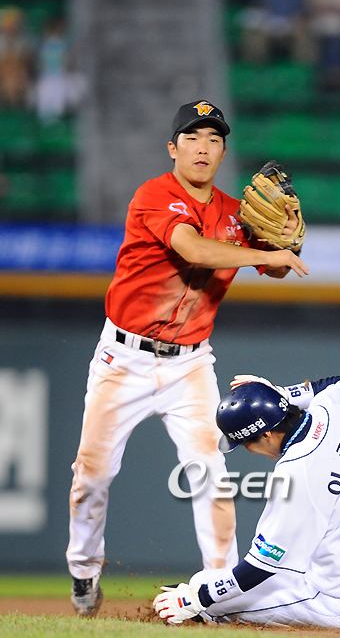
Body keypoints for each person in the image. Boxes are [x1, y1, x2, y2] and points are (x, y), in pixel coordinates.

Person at [66, 100, 309, 616]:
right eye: (193, 138)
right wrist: (265, 252)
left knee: (211, 473)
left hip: (190, 364)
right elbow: (194, 249)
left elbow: (277, 269)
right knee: (92, 474)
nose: (203, 147)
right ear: (172, 148)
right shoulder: (154, 195)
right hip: (123, 360)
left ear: (223, 152)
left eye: (214, 139)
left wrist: (284, 241)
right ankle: (84, 568)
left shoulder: (236, 214)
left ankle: (223, 593)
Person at [154, 374, 340, 629]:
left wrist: (198, 599)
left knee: (206, 592)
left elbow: (260, 568)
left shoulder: (296, 474)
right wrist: (283, 394)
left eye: (245, 443)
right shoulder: (337, 408)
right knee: (214, 583)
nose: (249, 450)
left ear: (265, 435)